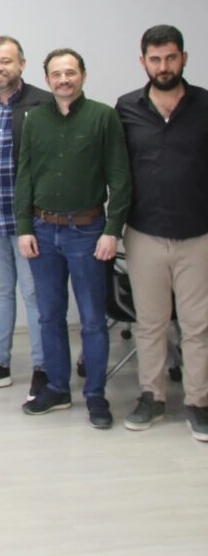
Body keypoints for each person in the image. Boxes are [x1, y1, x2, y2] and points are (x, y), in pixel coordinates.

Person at [15, 48, 131, 429]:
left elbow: (120, 178)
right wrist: (24, 227)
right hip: (43, 231)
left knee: (93, 319)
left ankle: (95, 394)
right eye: (56, 74)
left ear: (83, 75)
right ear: (47, 79)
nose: (63, 79)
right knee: (49, 315)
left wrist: (112, 230)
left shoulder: (103, 117)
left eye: (70, 72)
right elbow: (25, 176)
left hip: (88, 232)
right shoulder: (35, 119)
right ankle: (57, 388)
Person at [117, 25, 208, 441]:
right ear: (144, 62)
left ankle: (198, 401)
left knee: (197, 325)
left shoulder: (204, 104)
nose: (164, 66)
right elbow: (117, 170)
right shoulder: (126, 108)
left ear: (183, 58)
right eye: (155, 59)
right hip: (145, 233)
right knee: (150, 323)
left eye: (171, 57)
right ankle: (151, 397)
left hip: (198, 233)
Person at [0, 36, 52, 399]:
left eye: (6, 61)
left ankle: (44, 368)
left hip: (27, 222)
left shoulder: (42, 102)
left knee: (34, 294)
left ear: (22, 64)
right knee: (0, 292)